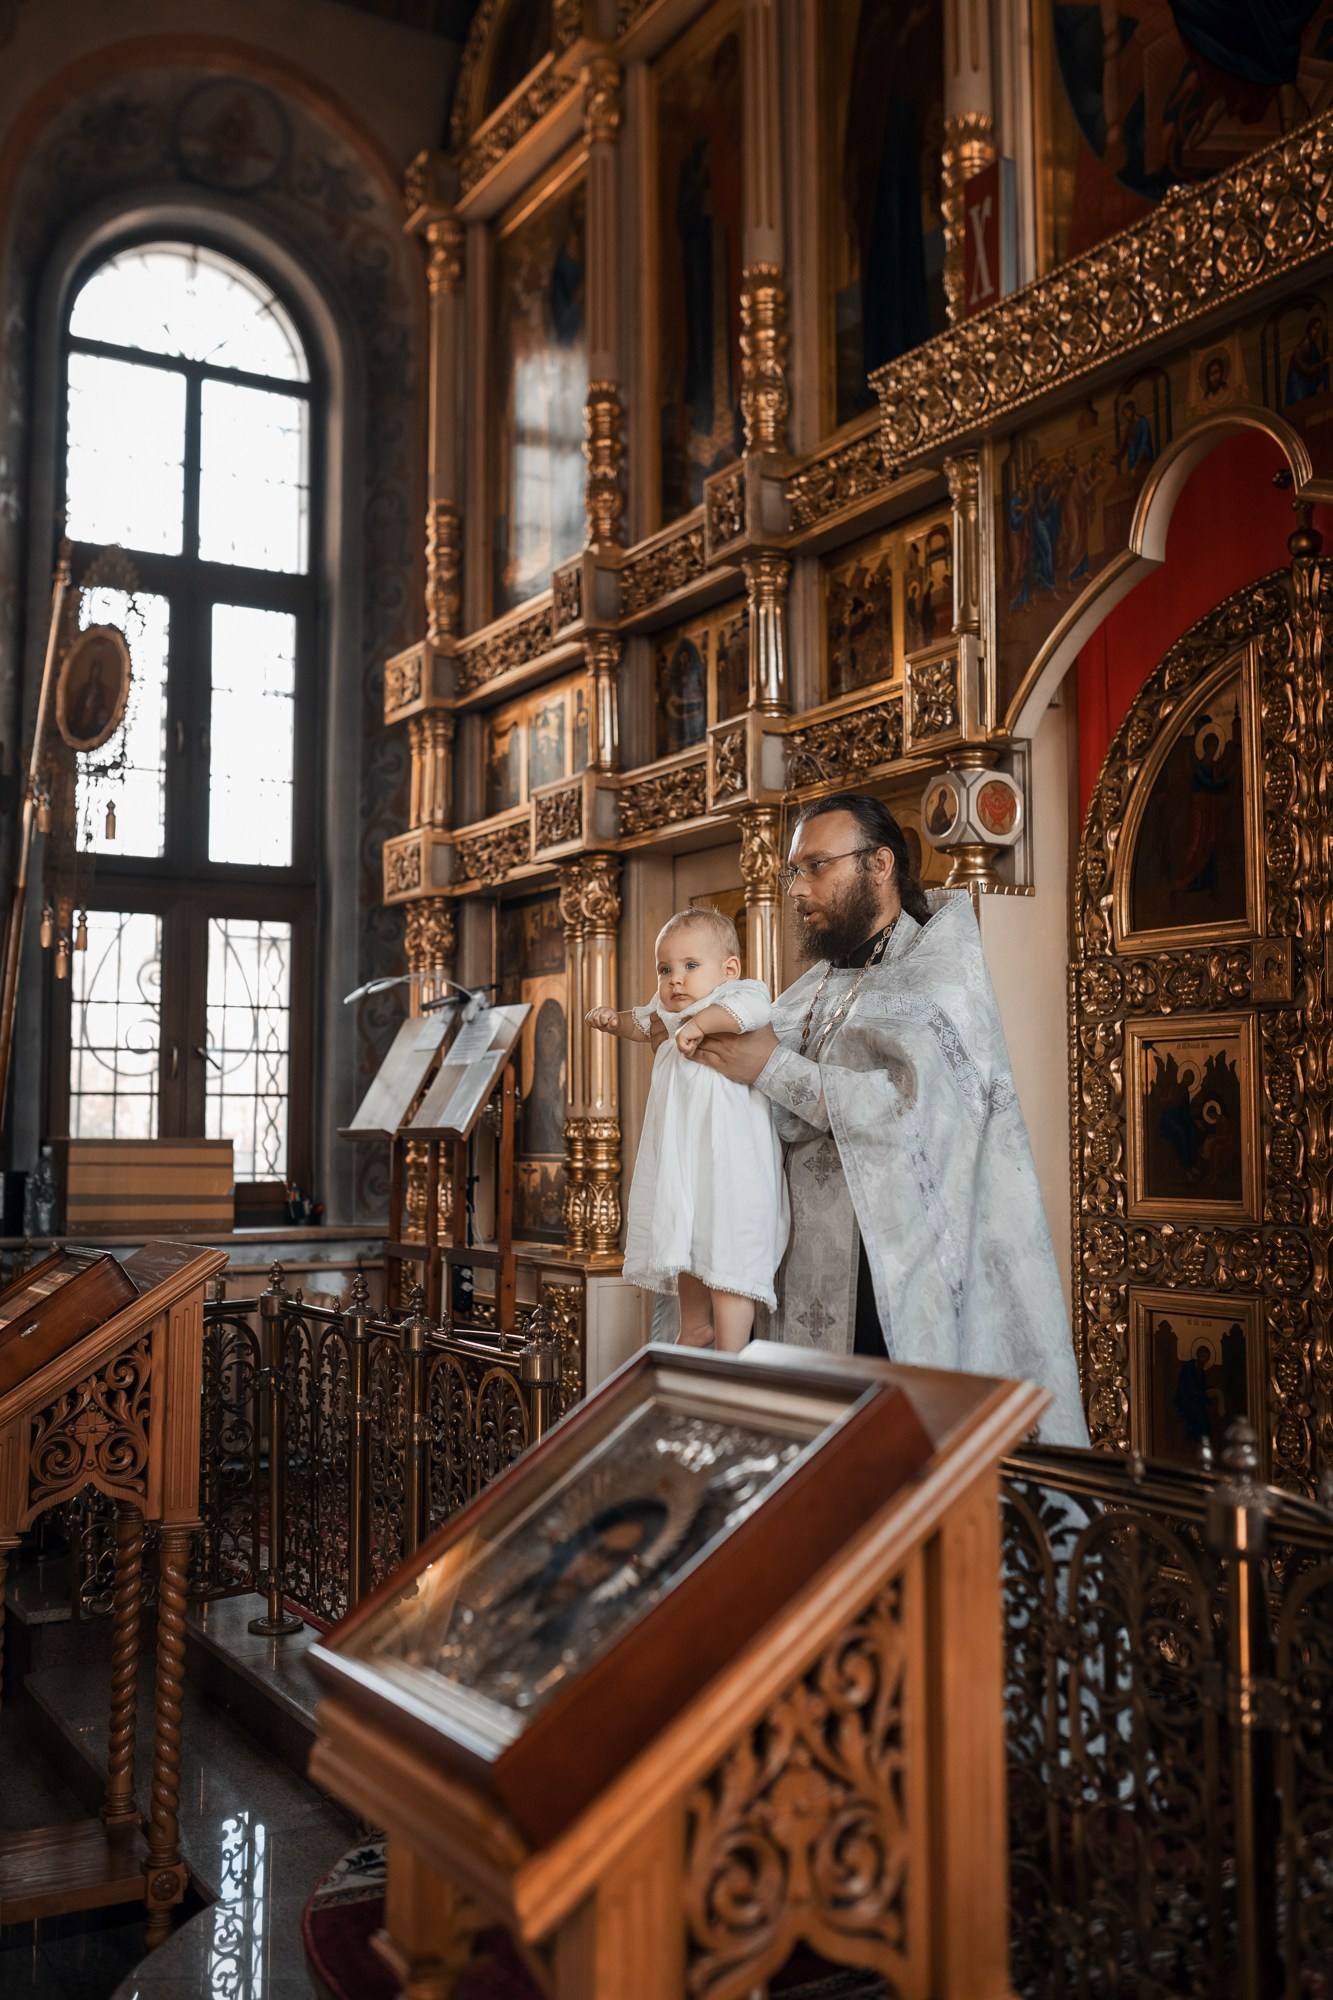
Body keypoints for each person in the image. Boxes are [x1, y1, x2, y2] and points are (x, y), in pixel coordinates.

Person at [683, 793, 1088, 1445]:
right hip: (798, 1280)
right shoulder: (807, 990)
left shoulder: (939, 981)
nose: (797, 888)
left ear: (879, 864)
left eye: (816, 866)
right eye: (793, 871)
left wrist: (770, 1069)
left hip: (893, 1282)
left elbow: (911, 1116)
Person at [587, 906, 788, 1352]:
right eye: (665, 969)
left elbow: (754, 1011)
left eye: (690, 966)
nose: (675, 980)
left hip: (729, 1161)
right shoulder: (668, 1011)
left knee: (726, 1245)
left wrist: (700, 1023)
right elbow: (641, 1022)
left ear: (729, 969)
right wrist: (613, 1021)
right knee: (686, 1243)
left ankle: (732, 1350)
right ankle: (694, 1328)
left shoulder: (740, 995)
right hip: (683, 1159)